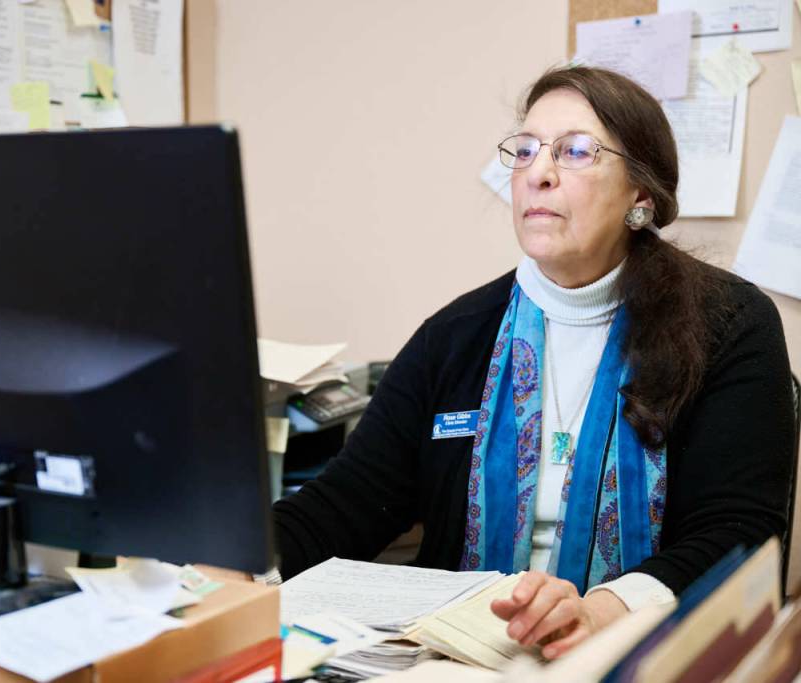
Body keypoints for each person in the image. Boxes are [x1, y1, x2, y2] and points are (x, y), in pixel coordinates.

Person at [272, 65, 794, 659]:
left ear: (641, 197)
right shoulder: (454, 337)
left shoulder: (728, 323)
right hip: (467, 660)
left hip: (647, 654)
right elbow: (343, 506)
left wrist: (601, 612)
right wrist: (222, 567)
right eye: (525, 151)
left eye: (574, 152)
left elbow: (739, 536)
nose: (537, 174)